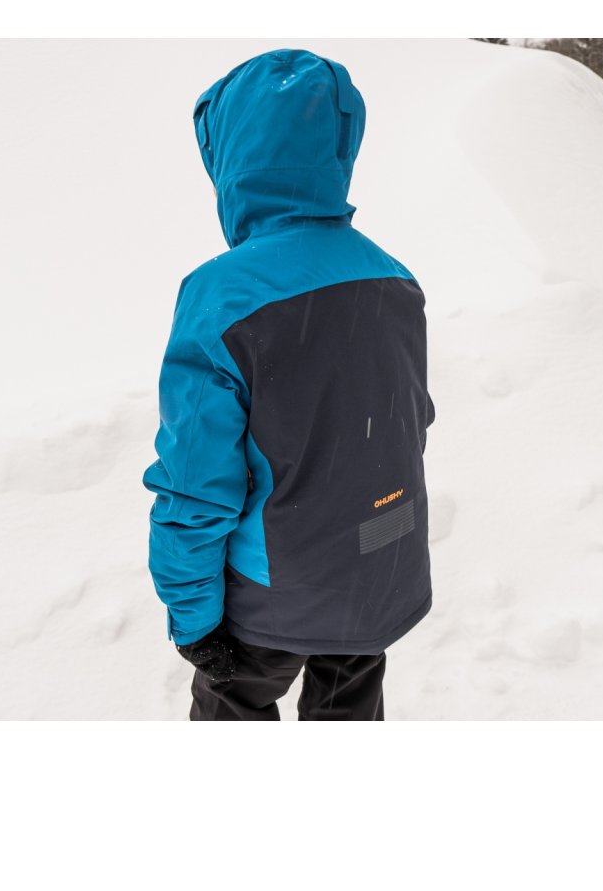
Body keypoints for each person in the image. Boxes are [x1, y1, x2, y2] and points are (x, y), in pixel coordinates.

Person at [142, 48, 436, 721]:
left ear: (231, 160)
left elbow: (196, 479)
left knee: (232, 711)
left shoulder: (223, 295)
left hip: (276, 595)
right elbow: (405, 428)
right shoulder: (393, 278)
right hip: (376, 571)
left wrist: (193, 617)